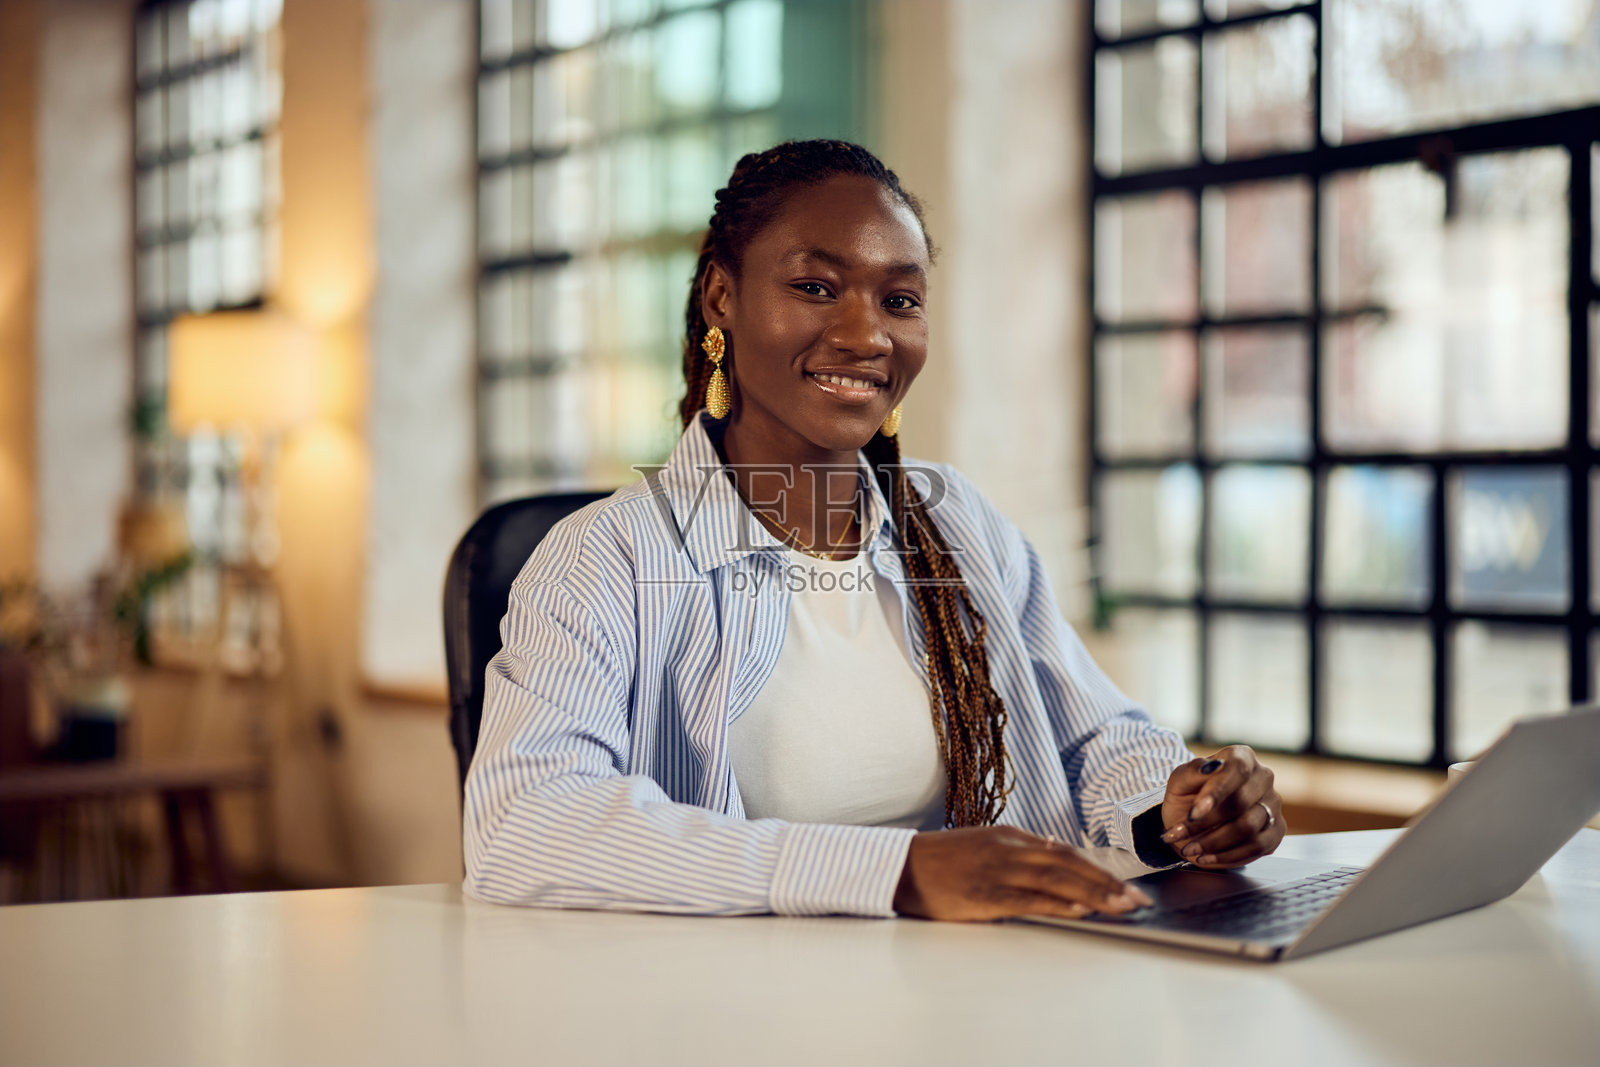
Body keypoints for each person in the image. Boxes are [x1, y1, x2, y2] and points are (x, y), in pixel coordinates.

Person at [462, 139, 1285, 921]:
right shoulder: (607, 557)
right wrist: (895, 873)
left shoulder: (955, 526)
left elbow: (1094, 736)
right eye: (816, 287)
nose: (867, 335)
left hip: (995, 994)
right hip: (730, 1016)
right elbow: (524, 823)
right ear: (723, 296)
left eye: (900, 300)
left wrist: (1179, 807)